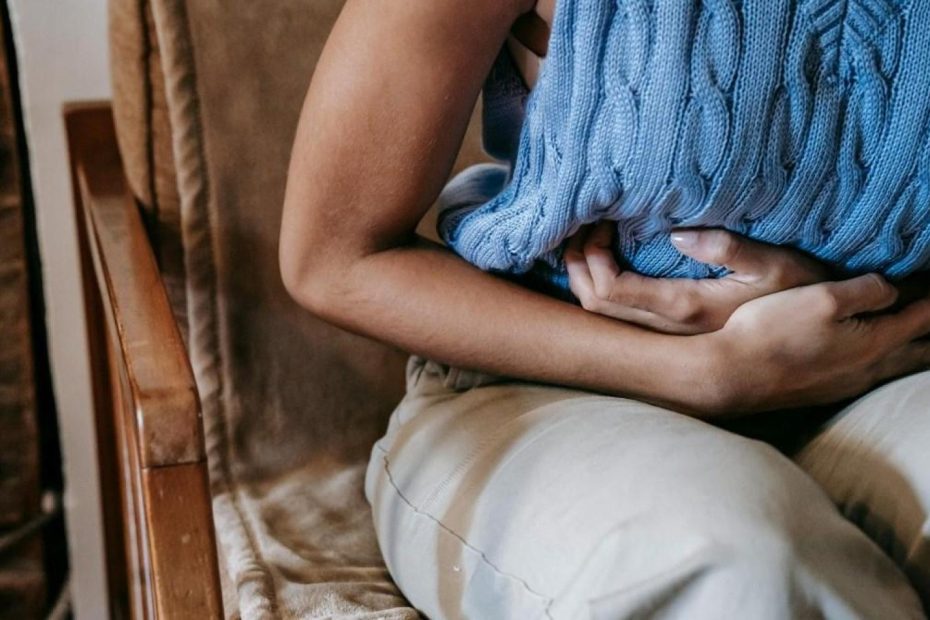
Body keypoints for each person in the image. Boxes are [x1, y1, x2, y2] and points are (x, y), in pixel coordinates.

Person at [280, 1, 930, 617]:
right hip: (545, 391)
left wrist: (832, 294)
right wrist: (703, 372)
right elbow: (334, 260)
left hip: (881, 367)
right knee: (743, 568)